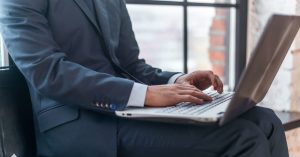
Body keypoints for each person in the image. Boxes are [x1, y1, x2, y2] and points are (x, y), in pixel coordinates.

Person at [0, 0, 289, 157]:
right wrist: (146, 95)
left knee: (266, 121)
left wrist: (177, 80)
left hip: (130, 113)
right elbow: (48, 72)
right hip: (78, 126)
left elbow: (129, 64)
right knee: (243, 138)